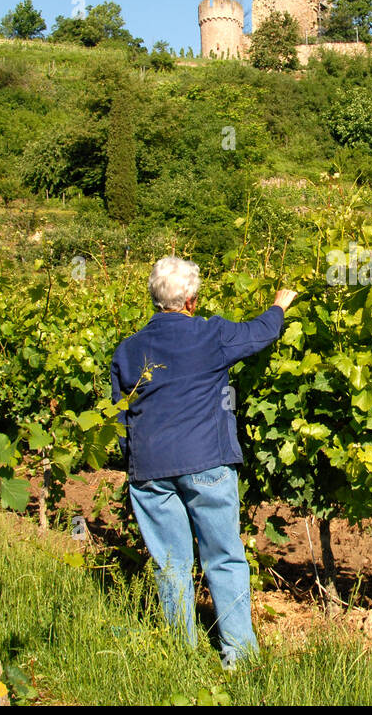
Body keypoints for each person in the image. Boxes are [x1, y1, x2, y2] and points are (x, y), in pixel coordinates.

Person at [111, 256, 296, 669]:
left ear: (153, 298)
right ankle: (240, 655)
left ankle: (182, 653)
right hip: (206, 462)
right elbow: (258, 333)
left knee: (170, 564)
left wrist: (136, 462)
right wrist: (279, 305)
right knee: (224, 556)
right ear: (192, 299)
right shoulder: (211, 335)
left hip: (150, 469)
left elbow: (119, 415)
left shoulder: (128, 350)